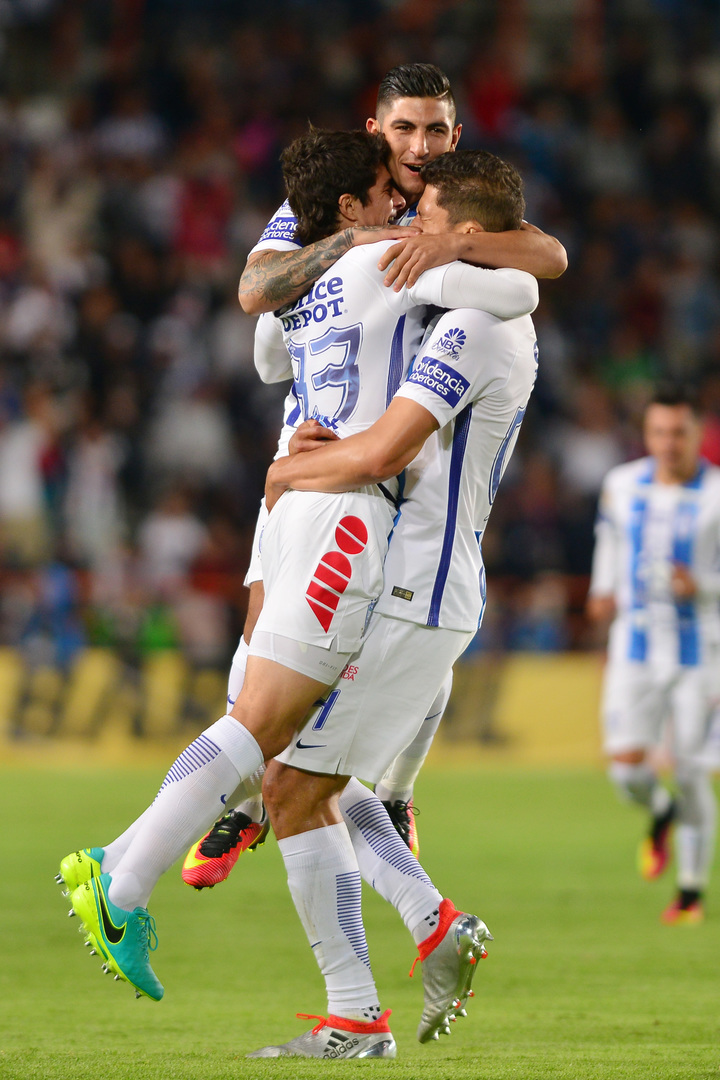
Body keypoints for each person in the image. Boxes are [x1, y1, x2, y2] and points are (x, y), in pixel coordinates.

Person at [59, 140, 536, 1050]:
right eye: (400, 208)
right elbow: (519, 288)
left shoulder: (299, 277)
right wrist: (447, 252)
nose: (413, 226)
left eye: (425, 216)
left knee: (282, 759)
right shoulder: (390, 263)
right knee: (272, 745)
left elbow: (265, 339)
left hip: (348, 528)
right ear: (357, 208)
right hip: (352, 524)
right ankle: (126, 884)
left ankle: (143, 887)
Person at [182, 61, 566, 880]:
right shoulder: (334, 198)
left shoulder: (461, 197)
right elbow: (256, 291)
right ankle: (249, 800)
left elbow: (547, 257)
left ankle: (392, 791)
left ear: (455, 137)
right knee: (263, 637)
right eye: (405, 129)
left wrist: (451, 240)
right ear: (375, 133)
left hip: (407, 449)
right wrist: (363, 241)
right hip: (316, 446)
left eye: (435, 129)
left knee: (412, 610)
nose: (420, 145)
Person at [243, 147, 539, 1056]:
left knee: (291, 784)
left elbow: (382, 454)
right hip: (410, 583)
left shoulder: (472, 322)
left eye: (432, 220)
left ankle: (360, 1013)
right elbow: (268, 331)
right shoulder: (449, 302)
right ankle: (428, 927)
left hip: (415, 587)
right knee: (312, 780)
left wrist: (290, 470)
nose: (414, 229)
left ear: (476, 238)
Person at [587, 385, 720, 924]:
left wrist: (704, 586)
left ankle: (690, 893)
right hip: (634, 646)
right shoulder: (621, 485)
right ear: (647, 435)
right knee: (626, 772)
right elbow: (609, 542)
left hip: (699, 651)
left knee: (690, 770)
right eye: (660, 432)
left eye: (679, 432)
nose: (669, 442)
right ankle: (659, 810)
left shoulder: (715, 494)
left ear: (697, 435)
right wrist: (601, 589)